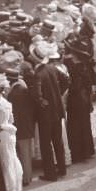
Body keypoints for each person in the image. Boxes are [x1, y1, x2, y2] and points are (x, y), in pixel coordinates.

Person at [30, 43, 67, 182]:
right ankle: (62, 168)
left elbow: (37, 95)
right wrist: (59, 94)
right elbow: (66, 80)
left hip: (45, 114)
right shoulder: (53, 68)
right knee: (58, 141)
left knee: (46, 144)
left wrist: (42, 102)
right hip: (57, 110)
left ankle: (50, 173)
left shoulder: (38, 74)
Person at [63, 36, 96, 163]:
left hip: (76, 99)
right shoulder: (84, 66)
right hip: (84, 99)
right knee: (85, 125)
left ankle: (78, 153)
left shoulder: (73, 67)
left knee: (75, 126)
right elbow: (89, 86)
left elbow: (74, 86)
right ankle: (87, 150)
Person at [5, 68, 36, 186]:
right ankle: (29, 176)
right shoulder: (22, 88)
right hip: (27, 124)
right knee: (27, 151)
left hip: (21, 126)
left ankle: (26, 178)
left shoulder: (15, 93)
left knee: (24, 152)